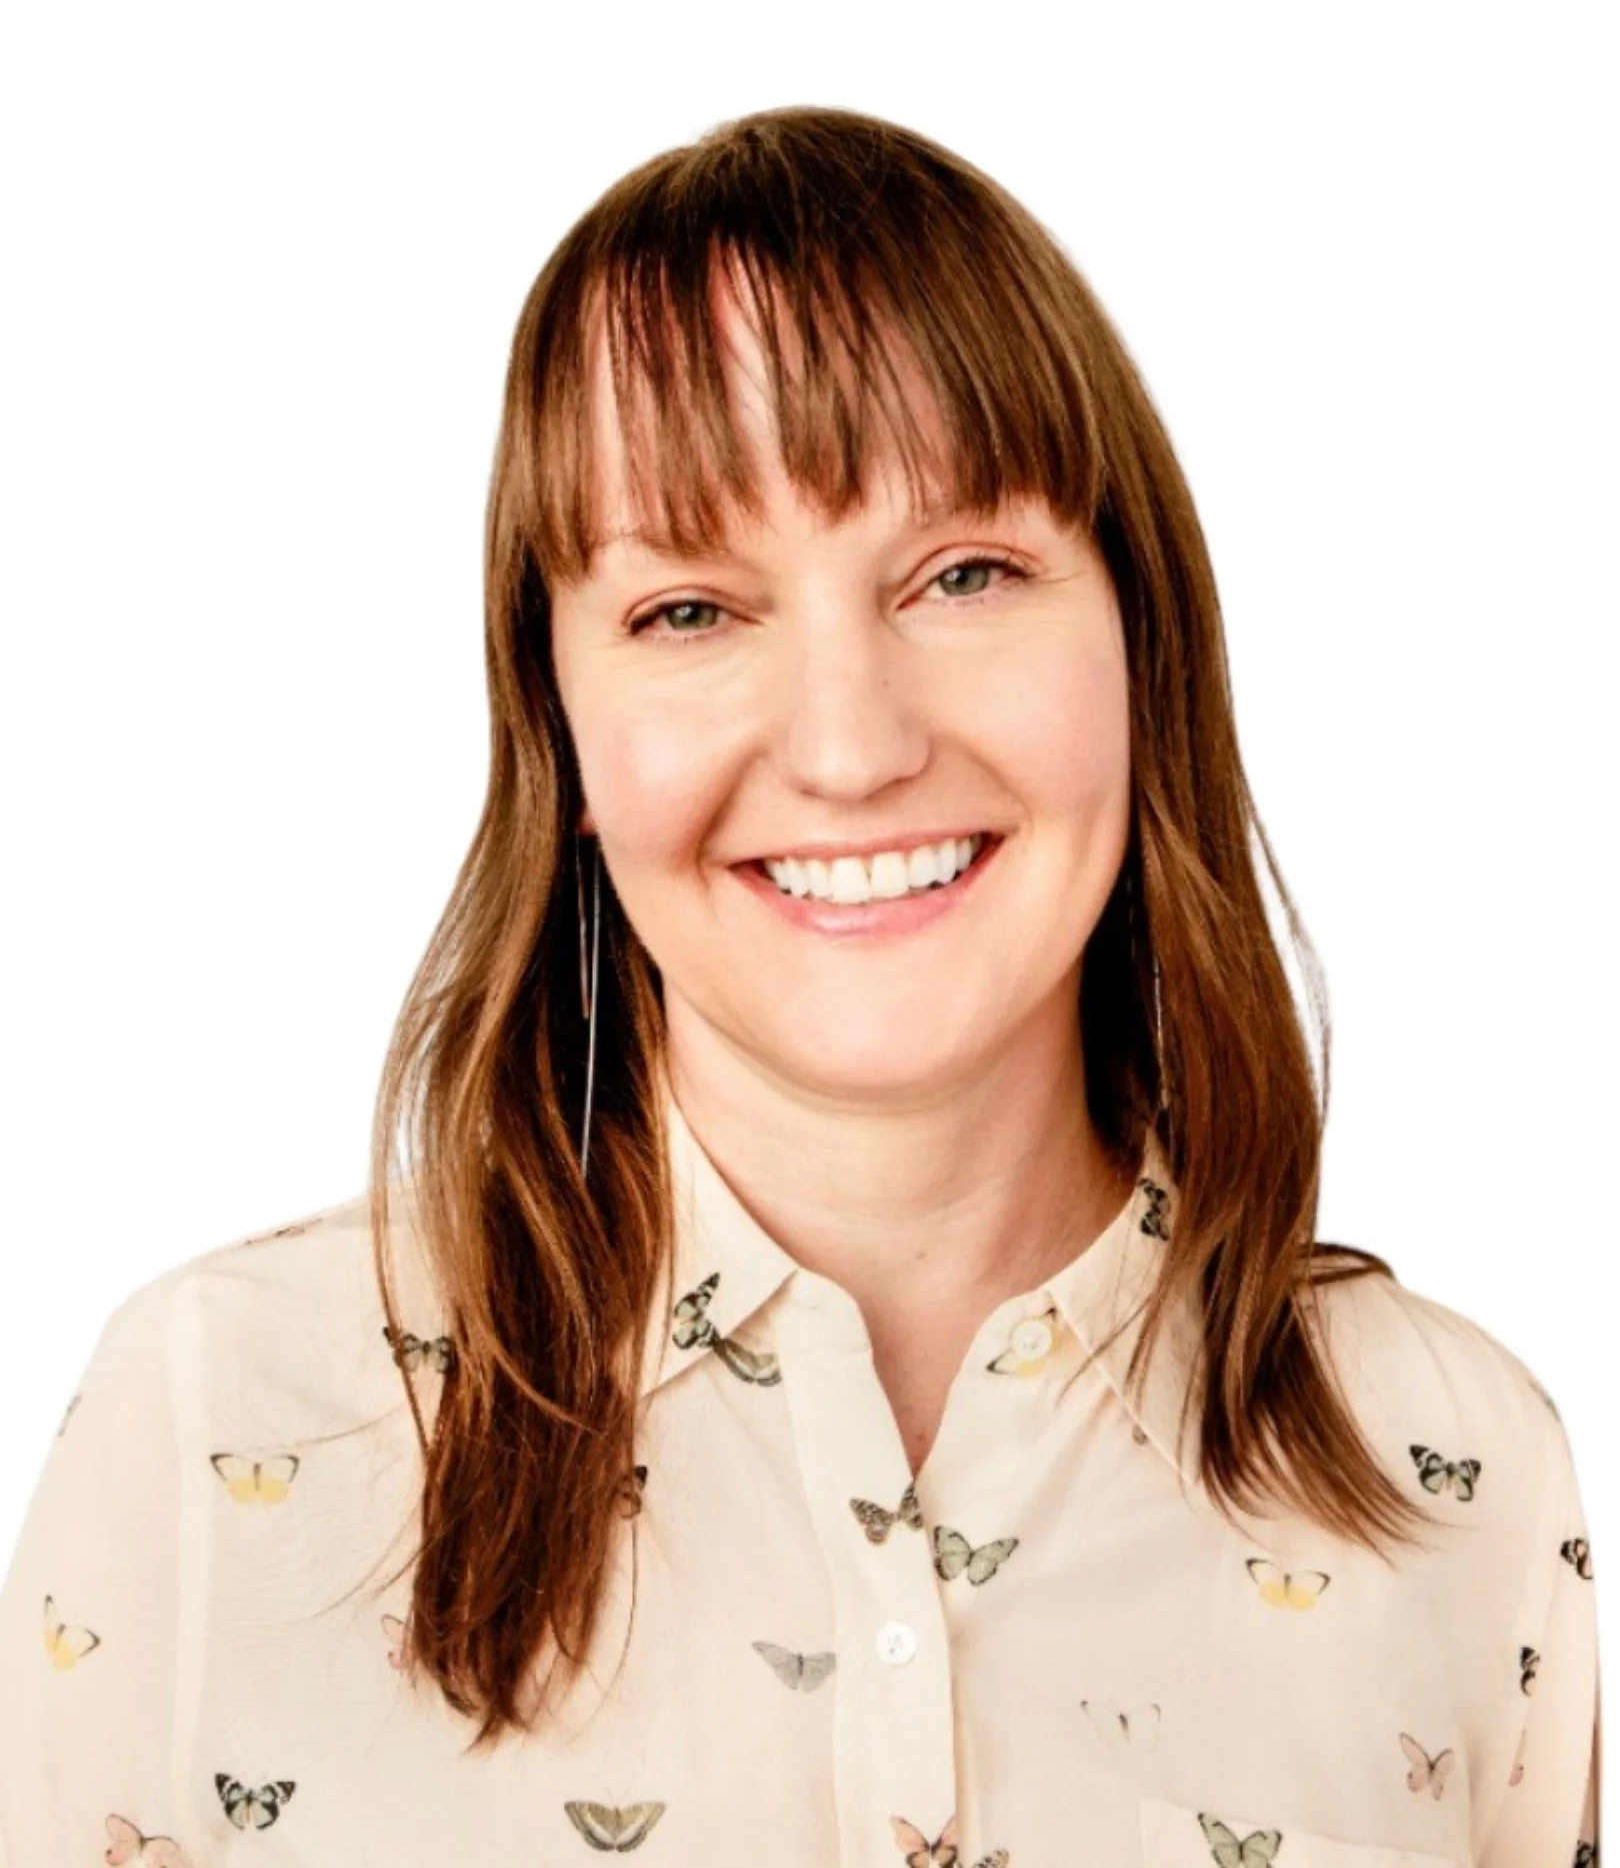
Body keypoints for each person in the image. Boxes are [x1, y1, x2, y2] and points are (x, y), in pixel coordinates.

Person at [0, 106, 1599, 1868]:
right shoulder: (220, 1426)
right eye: (691, 609)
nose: (850, 750)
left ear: (1145, 641)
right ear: (560, 728)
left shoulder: (1457, 1475)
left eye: (964, 575)